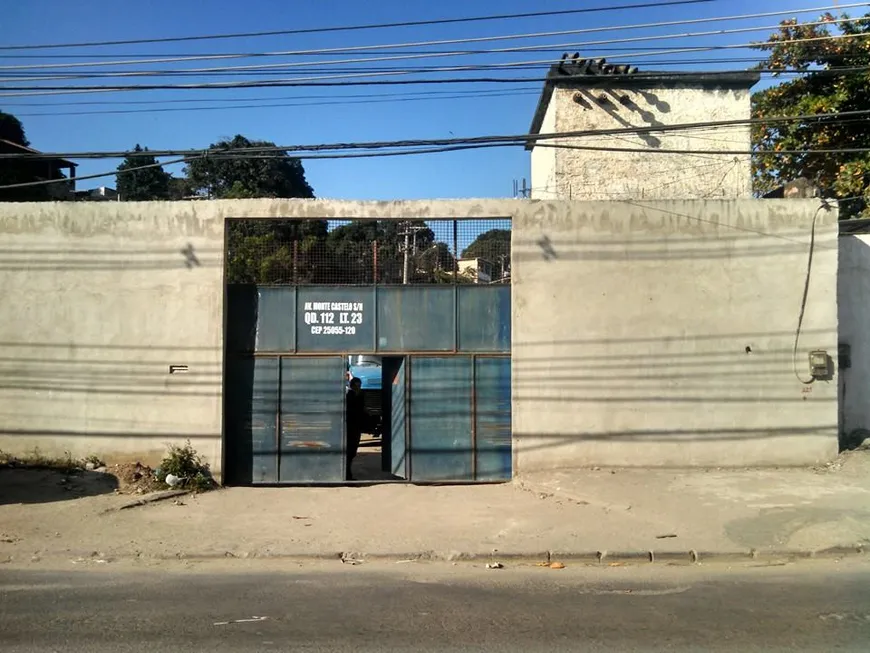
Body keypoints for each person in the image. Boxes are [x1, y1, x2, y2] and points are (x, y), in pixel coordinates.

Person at [345, 377, 367, 480]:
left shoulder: (358, 396)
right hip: (351, 427)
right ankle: (347, 475)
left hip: (356, 427)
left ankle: (348, 474)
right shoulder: (350, 396)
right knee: (350, 452)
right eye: (356, 386)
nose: (358, 388)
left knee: (352, 452)